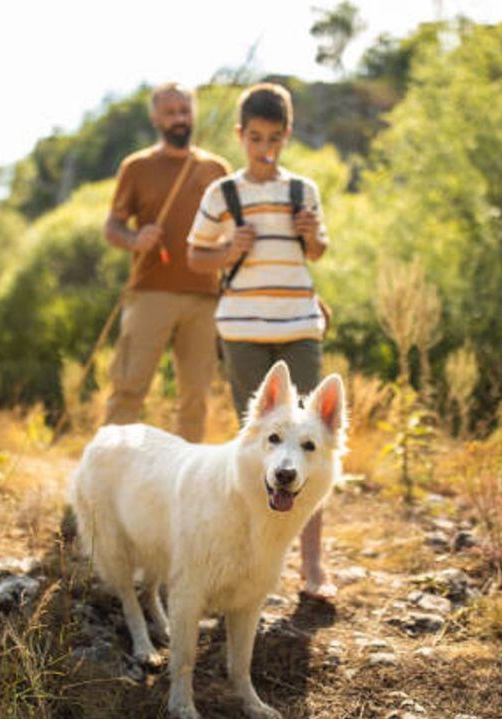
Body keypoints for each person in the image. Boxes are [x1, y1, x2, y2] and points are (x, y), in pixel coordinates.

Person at [186, 82, 337, 601]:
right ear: (240, 135)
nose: (265, 148)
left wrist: (312, 233)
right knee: (260, 447)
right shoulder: (222, 194)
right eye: (255, 138)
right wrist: (228, 249)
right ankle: (251, 559)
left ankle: (312, 565)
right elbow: (196, 257)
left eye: (274, 139)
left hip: (298, 325)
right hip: (243, 331)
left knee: (310, 444)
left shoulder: (303, 191)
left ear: (287, 135)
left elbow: (316, 251)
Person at [103, 83, 231, 443]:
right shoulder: (137, 167)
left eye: (185, 111)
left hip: (205, 296)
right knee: (129, 386)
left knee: (195, 397)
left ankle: (185, 474)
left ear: (194, 114)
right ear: (155, 118)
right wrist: (134, 239)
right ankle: (107, 468)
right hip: (149, 292)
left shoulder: (216, 168)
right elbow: (112, 227)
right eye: (170, 112)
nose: (179, 118)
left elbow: (231, 229)